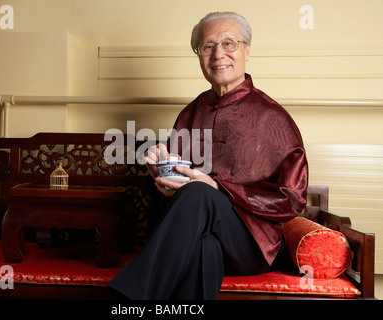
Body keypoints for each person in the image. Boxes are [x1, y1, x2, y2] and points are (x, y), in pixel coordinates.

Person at [108, 11, 308, 300]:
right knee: (204, 246)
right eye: (208, 47)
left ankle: (132, 297)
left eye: (229, 44)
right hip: (195, 239)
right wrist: (161, 181)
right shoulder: (190, 113)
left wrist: (218, 188)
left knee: (201, 191)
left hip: (253, 245)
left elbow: (293, 198)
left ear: (247, 51)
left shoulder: (274, 117)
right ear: (199, 55)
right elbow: (175, 188)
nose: (218, 55)